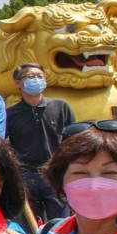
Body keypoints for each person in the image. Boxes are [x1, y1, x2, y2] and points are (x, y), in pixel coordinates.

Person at [6, 62, 75, 222]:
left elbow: (74, 139)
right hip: (25, 176)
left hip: (54, 173)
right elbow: (4, 143)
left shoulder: (60, 106)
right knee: (29, 225)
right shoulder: (11, 114)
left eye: (40, 76)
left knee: (61, 223)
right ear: (18, 83)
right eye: (30, 77)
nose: (36, 80)